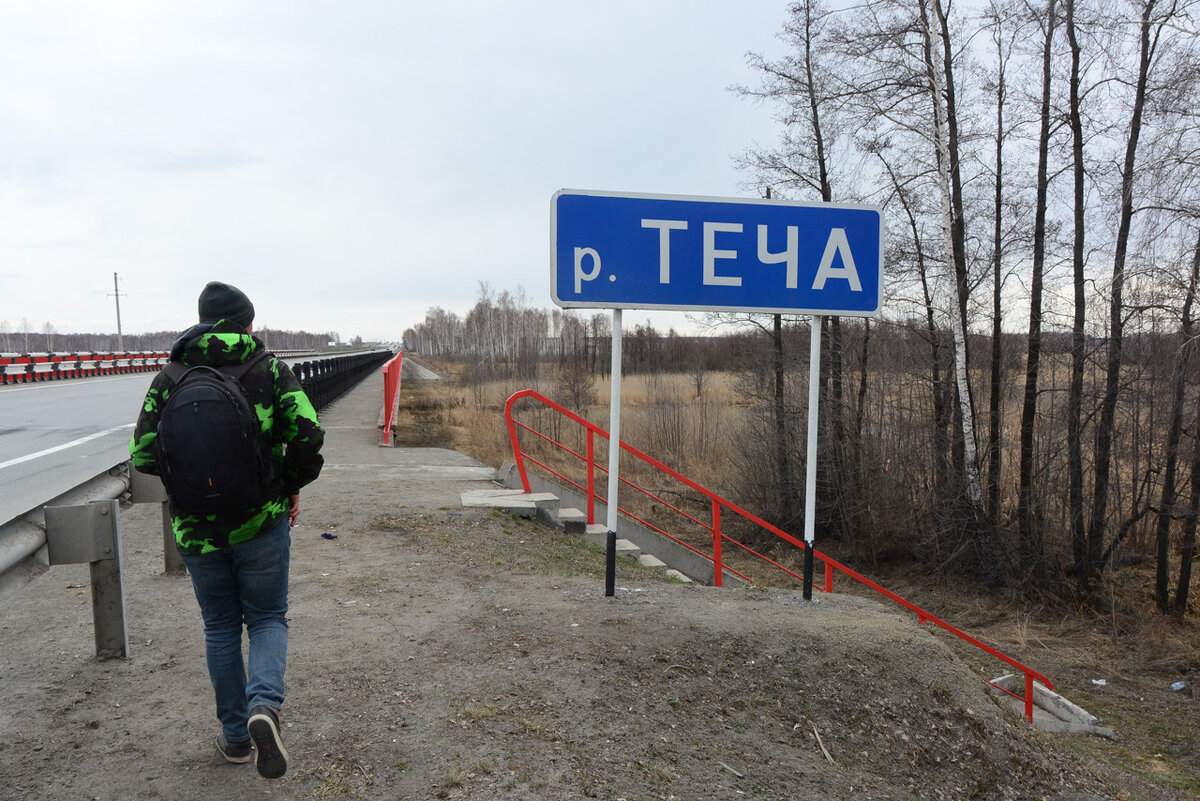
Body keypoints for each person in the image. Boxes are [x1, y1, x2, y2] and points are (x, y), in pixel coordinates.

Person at [130, 281, 324, 779]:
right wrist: (289, 484)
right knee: (266, 619)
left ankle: (236, 738)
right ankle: (265, 707)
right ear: (248, 324)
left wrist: (192, 486)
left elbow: (143, 456)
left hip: (196, 530)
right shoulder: (269, 368)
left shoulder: (171, 376)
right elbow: (307, 434)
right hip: (261, 520)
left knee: (220, 626)